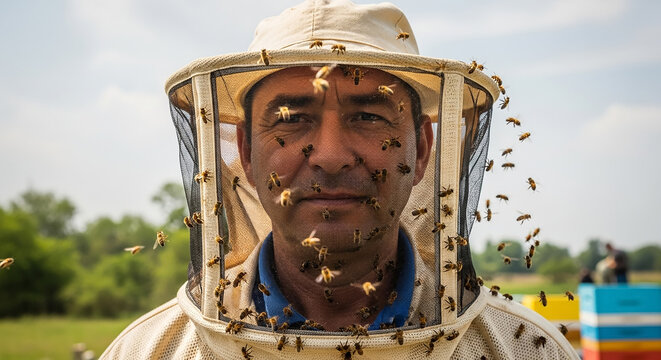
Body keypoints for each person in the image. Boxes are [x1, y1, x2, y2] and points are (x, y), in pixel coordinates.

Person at [102, 1, 578, 359]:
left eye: (369, 116)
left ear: (425, 147)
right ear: (244, 152)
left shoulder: (527, 349)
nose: (329, 157)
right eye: (290, 118)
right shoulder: (151, 351)